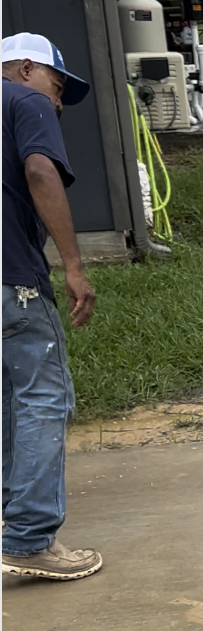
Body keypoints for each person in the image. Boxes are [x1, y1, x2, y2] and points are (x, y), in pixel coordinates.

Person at [3, 32, 102, 580]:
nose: (58, 102)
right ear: (23, 70)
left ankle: (7, 521)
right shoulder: (24, 101)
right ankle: (30, 538)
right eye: (57, 85)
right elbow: (41, 172)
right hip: (11, 277)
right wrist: (73, 265)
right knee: (41, 398)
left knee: (5, 398)